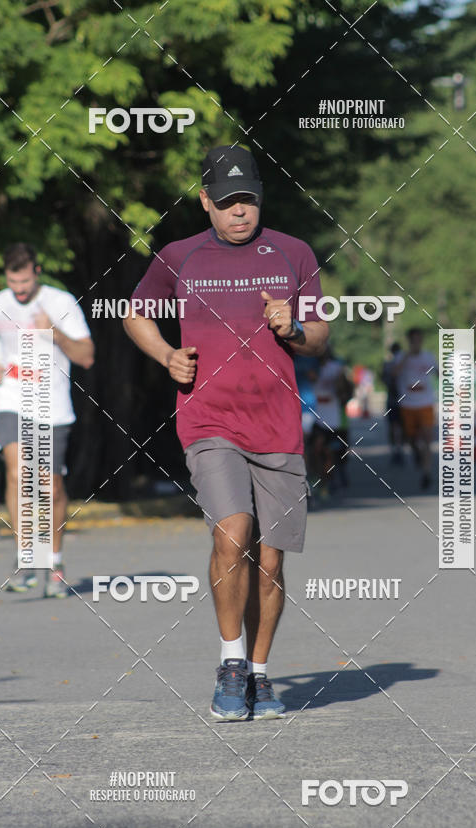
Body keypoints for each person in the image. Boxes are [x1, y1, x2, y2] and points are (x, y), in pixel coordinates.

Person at [124, 145, 328, 721]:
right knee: (232, 533)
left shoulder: (293, 253)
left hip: (277, 424)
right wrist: (167, 356)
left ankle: (259, 674)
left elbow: (320, 335)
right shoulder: (178, 256)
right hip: (208, 419)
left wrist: (294, 328)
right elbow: (135, 314)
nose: (240, 211)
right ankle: (231, 663)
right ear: (205, 201)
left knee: (272, 561)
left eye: (249, 200)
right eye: (229, 201)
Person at [0, 243, 94, 595]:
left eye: (25, 282)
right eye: (13, 282)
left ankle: (54, 561)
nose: (20, 290)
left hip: (52, 405)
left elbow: (87, 356)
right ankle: (26, 556)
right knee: (18, 473)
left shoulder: (61, 302)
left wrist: (53, 331)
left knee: (49, 487)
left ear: (37, 272)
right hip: (11, 398)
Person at [391, 328, 438, 490]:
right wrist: (407, 356)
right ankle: (416, 451)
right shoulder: (400, 357)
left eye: (419, 340)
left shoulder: (428, 356)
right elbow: (394, 374)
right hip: (407, 403)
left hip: (425, 402)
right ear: (409, 341)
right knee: (410, 437)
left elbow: (439, 373)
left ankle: (426, 472)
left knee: (427, 436)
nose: (416, 343)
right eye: (413, 340)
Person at [310, 348, 352, 498]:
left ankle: (333, 477)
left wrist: (341, 383)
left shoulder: (337, 368)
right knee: (317, 450)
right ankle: (322, 479)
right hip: (315, 418)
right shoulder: (309, 367)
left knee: (333, 453)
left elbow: (346, 391)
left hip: (335, 420)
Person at [381, 342, 404, 465]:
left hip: (395, 400)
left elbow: (384, 379)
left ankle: (396, 449)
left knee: (394, 426)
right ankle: (397, 449)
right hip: (398, 400)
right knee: (396, 426)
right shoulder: (392, 364)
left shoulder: (390, 364)